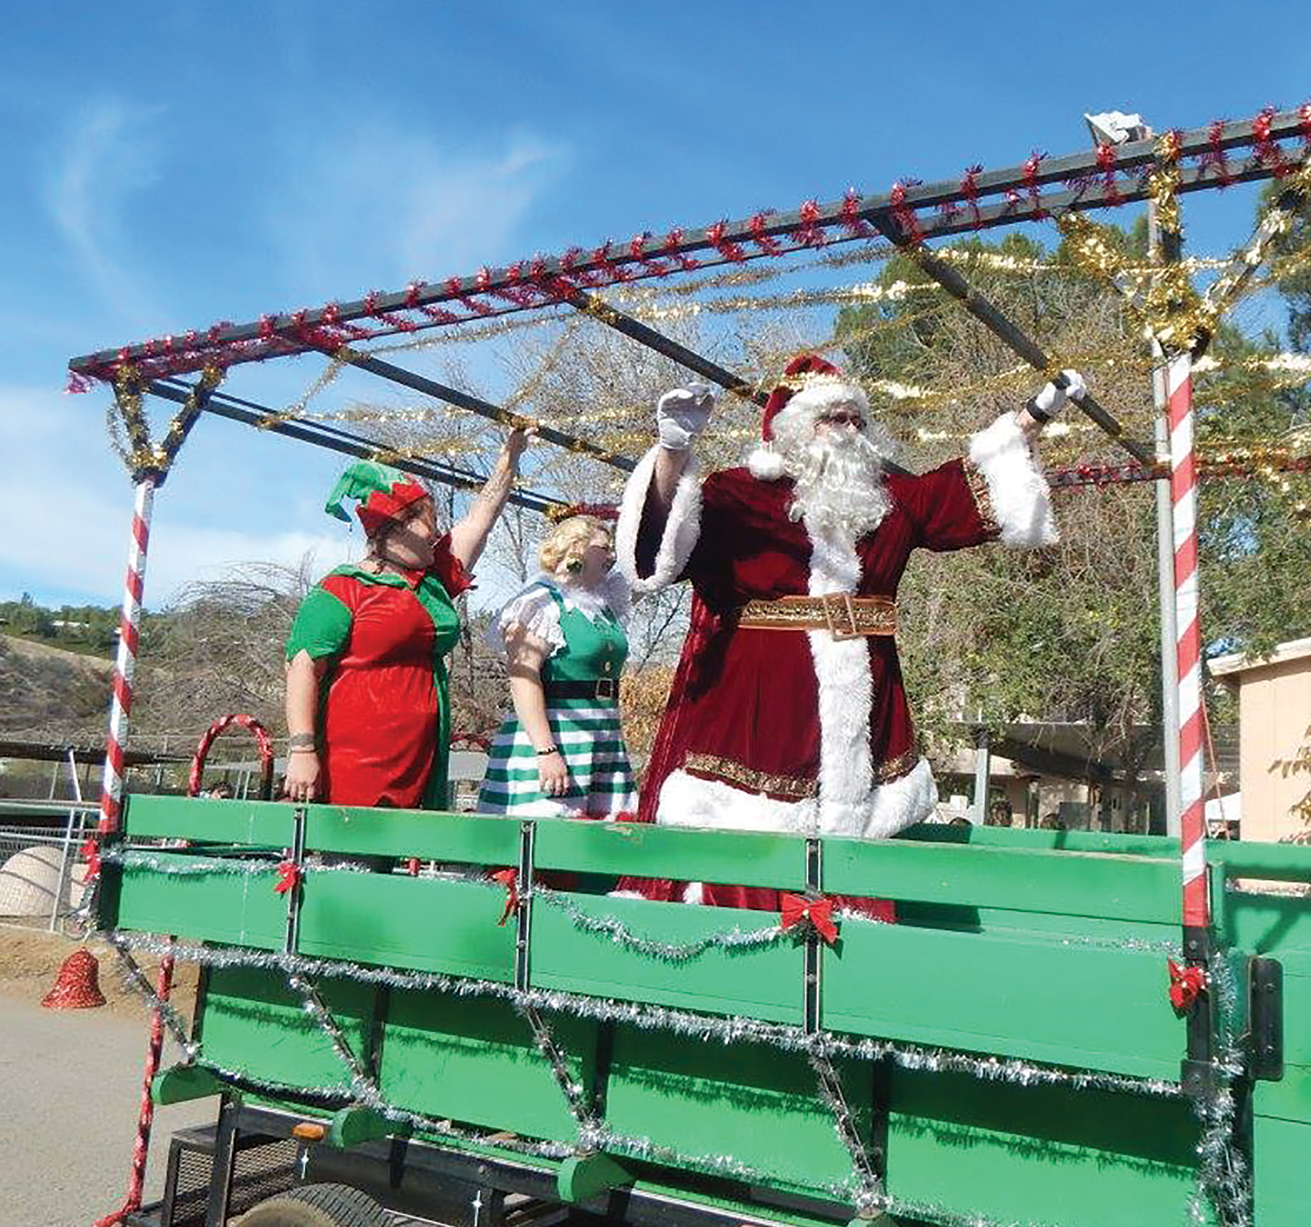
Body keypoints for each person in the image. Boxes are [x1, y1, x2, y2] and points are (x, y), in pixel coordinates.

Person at [618, 353, 1083, 911]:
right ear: (793, 427)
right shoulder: (737, 494)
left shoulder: (887, 499)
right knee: (748, 841)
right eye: (833, 418)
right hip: (758, 708)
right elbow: (657, 553)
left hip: (867, 708)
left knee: (861, 838)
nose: (849, 430)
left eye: (856, 419)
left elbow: (959, 489)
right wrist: (672, 452)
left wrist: (1031, 418)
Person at [282, 429, 528, 809]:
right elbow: (302, 667)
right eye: (428, 521)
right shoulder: (342, 588)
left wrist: (508, 461)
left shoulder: (432, 580)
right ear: (395, 529)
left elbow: (480, 520)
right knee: (356, 842)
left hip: (421, 755)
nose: (436, 533)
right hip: (355, 757)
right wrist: (302, 750)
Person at [474, 512, 637, 819]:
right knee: (550, 833)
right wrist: (546, 751)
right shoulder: (539, 603)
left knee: (605, 834)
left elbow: (650, 573)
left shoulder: (605, 603)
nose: (612, 556)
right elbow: (523, 678)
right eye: (604, 548)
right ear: (576, 548)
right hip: (557, 734)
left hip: (603, 734)